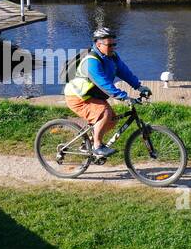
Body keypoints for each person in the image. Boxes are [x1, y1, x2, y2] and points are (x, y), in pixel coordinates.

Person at [63, 26, 151, 157]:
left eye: (114, 44)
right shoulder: (91, 62)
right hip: (77, 97)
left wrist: (138, 86)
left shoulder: (112, 56)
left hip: (91, 95)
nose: (113, 48)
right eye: (109, 45)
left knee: (112, 120)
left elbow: (124, 72)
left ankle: (89, 143)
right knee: (105, 113)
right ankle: (97, 146)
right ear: (98, 45)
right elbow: (104, 84)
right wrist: (124, 97)